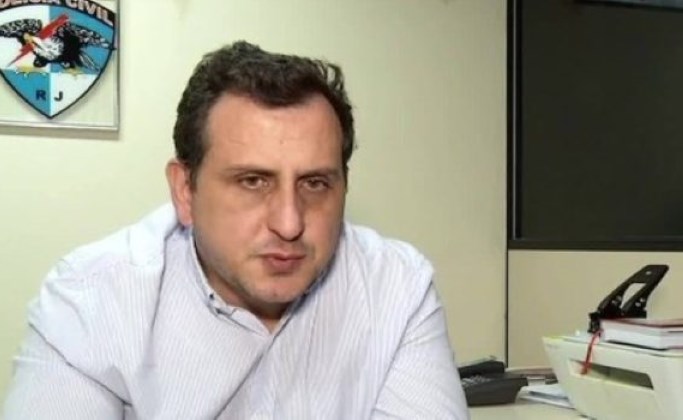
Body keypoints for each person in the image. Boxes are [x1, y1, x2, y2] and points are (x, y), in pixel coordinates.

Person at [3, 41, 468, 419]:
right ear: (185, 190)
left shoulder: (397, 287)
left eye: (315, 184)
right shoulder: (91, 301)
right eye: (253, 181)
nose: (289, 223)